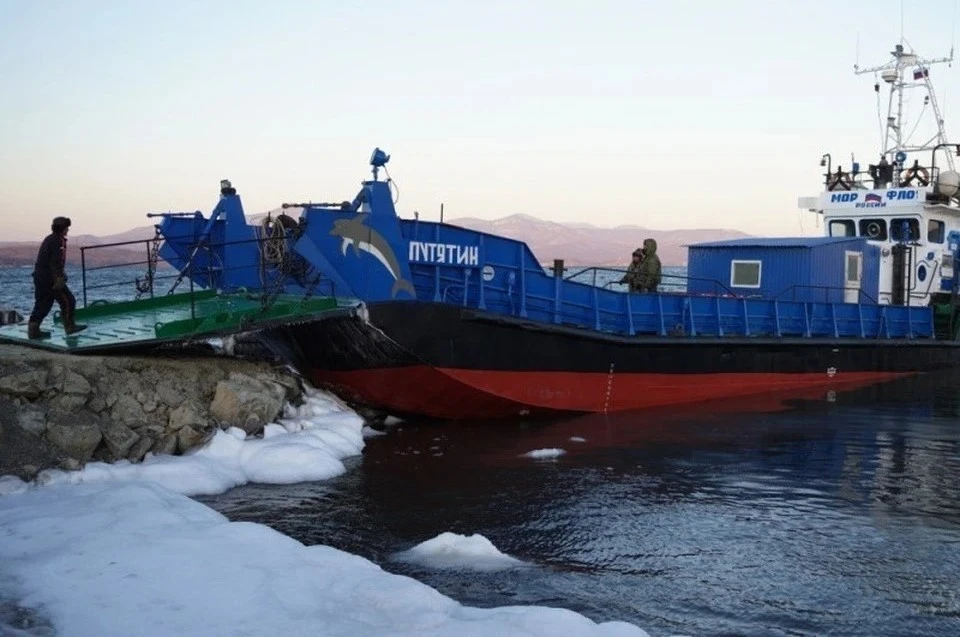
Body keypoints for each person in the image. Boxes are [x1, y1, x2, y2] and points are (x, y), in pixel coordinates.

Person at [27, 216, 87, 339]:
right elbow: (56, 260)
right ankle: (69, 326)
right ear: (64, 229)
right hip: (50, 277)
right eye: (67, 228)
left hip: (40, 276)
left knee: (43, 303)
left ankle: (33, 329)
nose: (68, 230)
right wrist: (59, 277)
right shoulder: (58, 241)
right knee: (68, 300)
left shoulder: (49, 239)